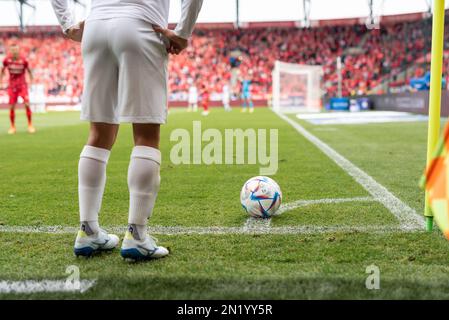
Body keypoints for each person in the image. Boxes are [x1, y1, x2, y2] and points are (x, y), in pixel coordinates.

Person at [51, 0, 203, 261]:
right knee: (145, 135)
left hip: (96, 27)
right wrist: (183, 32)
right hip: (141, 26)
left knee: (99, 134)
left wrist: (67, 24)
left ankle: (88, 230)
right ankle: (137, 236)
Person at [0, 42, 35, 134]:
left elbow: (29, 71)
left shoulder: (23, 60)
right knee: (11, 106)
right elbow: (2, 70)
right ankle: (12, 127)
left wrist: (31, 81)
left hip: (22, 85)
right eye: (13, 50)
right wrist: (1, 81)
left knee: (27, 104)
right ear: (10, 51)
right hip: (12, 86)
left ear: (18, 50)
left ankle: (30, 125)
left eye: (16, 50)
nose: (14, 51)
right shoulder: (7, 60)